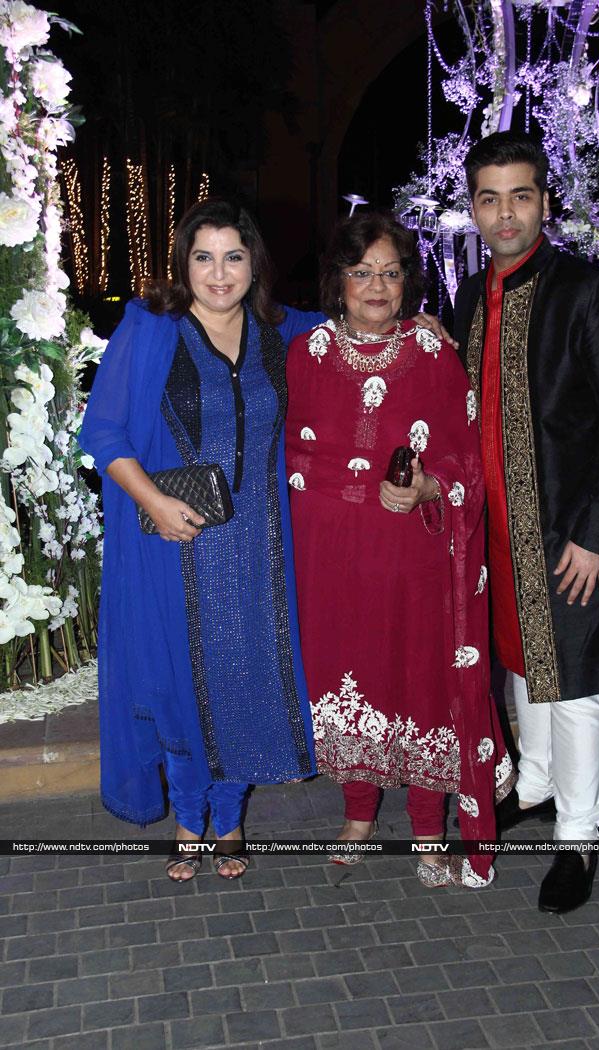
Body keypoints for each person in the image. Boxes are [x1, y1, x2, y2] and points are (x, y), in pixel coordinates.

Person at [453, 131, 599, 912]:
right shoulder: (469, 298)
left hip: (569, 537)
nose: (505, 213)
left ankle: (578, 839)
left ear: (546, 202)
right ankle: (538, 784)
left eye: (521, 195)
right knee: (520, 664)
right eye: (489, 197)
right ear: (474, 208)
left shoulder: (588, 291)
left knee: (576, 688)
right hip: (497, 533)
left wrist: (595, 533)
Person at [79, 198, 327, 881]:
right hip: (178, 536)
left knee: (242, 672)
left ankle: (231, 811)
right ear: (184, 264)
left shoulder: (282, 330)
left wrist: (417, 327)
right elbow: (103, 434)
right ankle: (192, 812)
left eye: (235, 256)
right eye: (204, 257)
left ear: (255, 264)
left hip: (259, 544)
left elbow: (363, 330)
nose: (220, 273)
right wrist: (154, 503)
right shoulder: (151, 328)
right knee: (182, 678)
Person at [286, 211, 515, 887]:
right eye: (362, 273)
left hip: (415, 560)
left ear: (407, 281)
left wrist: (426, 492)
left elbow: (467, 462)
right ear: (339, 280)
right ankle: (358, 814)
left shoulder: (433, 354)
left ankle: (425, 827)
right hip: (331, 561)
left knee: (418, 680)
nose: (377, 287)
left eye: (390, 273)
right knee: (347, 677)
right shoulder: (306, 352)